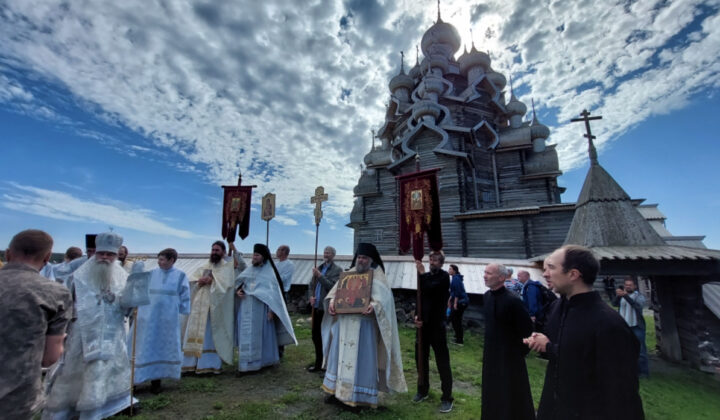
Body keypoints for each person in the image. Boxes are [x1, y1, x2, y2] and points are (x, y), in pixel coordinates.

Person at [524, 245, 644, 420]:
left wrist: (549, 347)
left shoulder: (608, 323)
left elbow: (621, 391)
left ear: (573, 274)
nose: (545, 274)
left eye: (551, 268)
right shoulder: (560, 308)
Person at [44, 231, 141, 419]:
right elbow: (66, 301)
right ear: (95, 253)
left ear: (116, 255)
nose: (105, 257)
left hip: (112, 333)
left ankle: (100, 408)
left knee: (105, 371)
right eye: (101, 253)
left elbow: (127, 307)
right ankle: (72, 408)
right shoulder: (78, 275)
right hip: (82, 333)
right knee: (78, 371)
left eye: (110, 254)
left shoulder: (122, 276)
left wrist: (137, 282)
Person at [322, 243, 406, 407]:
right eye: (359, 257)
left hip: (364, 327)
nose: (361, 260)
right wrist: (332, 302)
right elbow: (335, 293)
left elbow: (384, 301)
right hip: (344, 326)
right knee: (338, 359)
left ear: (371, 259)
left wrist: (374, 306)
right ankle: (336, 392)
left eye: (365, 258)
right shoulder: (348, 274)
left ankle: (359, 398)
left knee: (361, 362)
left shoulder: (378, 276)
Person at [0, 230, 73, 419]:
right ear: (47, 258)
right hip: (15, 397)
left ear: (7, 254)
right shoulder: (55, 293)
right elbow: (49, 358)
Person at [128, 248, 191, 394]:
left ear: (171, 260)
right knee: (143, 346)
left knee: (161, 348)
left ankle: (156, 382)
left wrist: (183, 310)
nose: (159, 262)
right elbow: (140, 291)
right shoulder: (151, 274)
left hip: (167, 320)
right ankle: (135, 381)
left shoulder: (180, 275)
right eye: (159, 259)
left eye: (162, 259)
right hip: (148, 318)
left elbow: (185, 295)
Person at [481, 263, 535, 420]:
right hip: (491, 355)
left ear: (501, 278)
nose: (484, 276)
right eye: (485, 272)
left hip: (510, 358)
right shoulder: (487, 296)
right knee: (492, 392)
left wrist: (516, 354)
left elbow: (527, 330)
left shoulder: (513, 301)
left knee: (510, 394)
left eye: (489, 273)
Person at [235, 244, 297, 372]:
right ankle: (246, 363)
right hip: (246, 308)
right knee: (246, 335)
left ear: (263, 257)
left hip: (261, 309)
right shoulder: (249, 269)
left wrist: (272, 310)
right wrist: (238, 291)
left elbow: (273, 293)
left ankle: (262, 362)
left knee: (261, 336)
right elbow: (241, 282)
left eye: (257, 255)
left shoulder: (269, 272)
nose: (254, 257)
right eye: (254, 255)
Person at [182, 241, 236, 374]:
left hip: (214, 309)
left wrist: (213, 282)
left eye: (217, 250)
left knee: (209, 337)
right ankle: (190, 364)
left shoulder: (226, 268)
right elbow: (191, 282)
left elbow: (228, 287)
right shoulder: (204, 266)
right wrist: (198, 282)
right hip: (198, 307)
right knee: (193, 333)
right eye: (213, 250)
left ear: (223, 252)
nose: (214, 252)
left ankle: (208, 365)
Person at [413, 252, 454, 413]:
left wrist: (422, 273)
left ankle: (447, 398)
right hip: (423, 326)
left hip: (437, 326)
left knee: (442, 362)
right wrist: (417, 316)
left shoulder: (444, 277)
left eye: (435, 260)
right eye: (430, 259)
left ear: (441, 263)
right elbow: (420, 296)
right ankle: (422, 390)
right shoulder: (425, 277)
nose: (432, 262)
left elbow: (431, 288)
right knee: (420, 359)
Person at [307, 246, 342, 372]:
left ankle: (327, 365)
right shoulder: (319, 267)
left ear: (333, 255)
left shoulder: (337, 270)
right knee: (315, 336)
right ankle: (318, 363)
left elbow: (333, 287)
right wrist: (310, 297)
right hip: (316, 307)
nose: (326, 255)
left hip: (326, 309)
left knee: (326, 337)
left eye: (328, 253)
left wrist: (320, 276)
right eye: (325, 252)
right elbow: (311, 285)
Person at [614, 276, 650, 377]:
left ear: (635, 286)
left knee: (640, 350)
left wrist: (625, 296)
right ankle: (627, 370)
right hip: (624, 326)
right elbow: (614, 303)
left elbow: (638, 306)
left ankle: (643, 373)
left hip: (636, 326)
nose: (628, 287)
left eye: (630, 285)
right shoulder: (622, 296)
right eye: (626, 285)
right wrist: (618, 296)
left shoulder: (639, 296)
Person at [447, 264, 469, 345]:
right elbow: (453, 292)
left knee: (455, 320)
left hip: (461, 302)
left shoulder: (456, 279)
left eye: (450, 269)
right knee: (455, 319)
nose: (449, 270)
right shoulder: (455, 278)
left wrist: (455, 303)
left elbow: (457, 292)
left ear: (454, 271)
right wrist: (449, 300)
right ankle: (458, 337)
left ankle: (459, 341)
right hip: (460, 301)